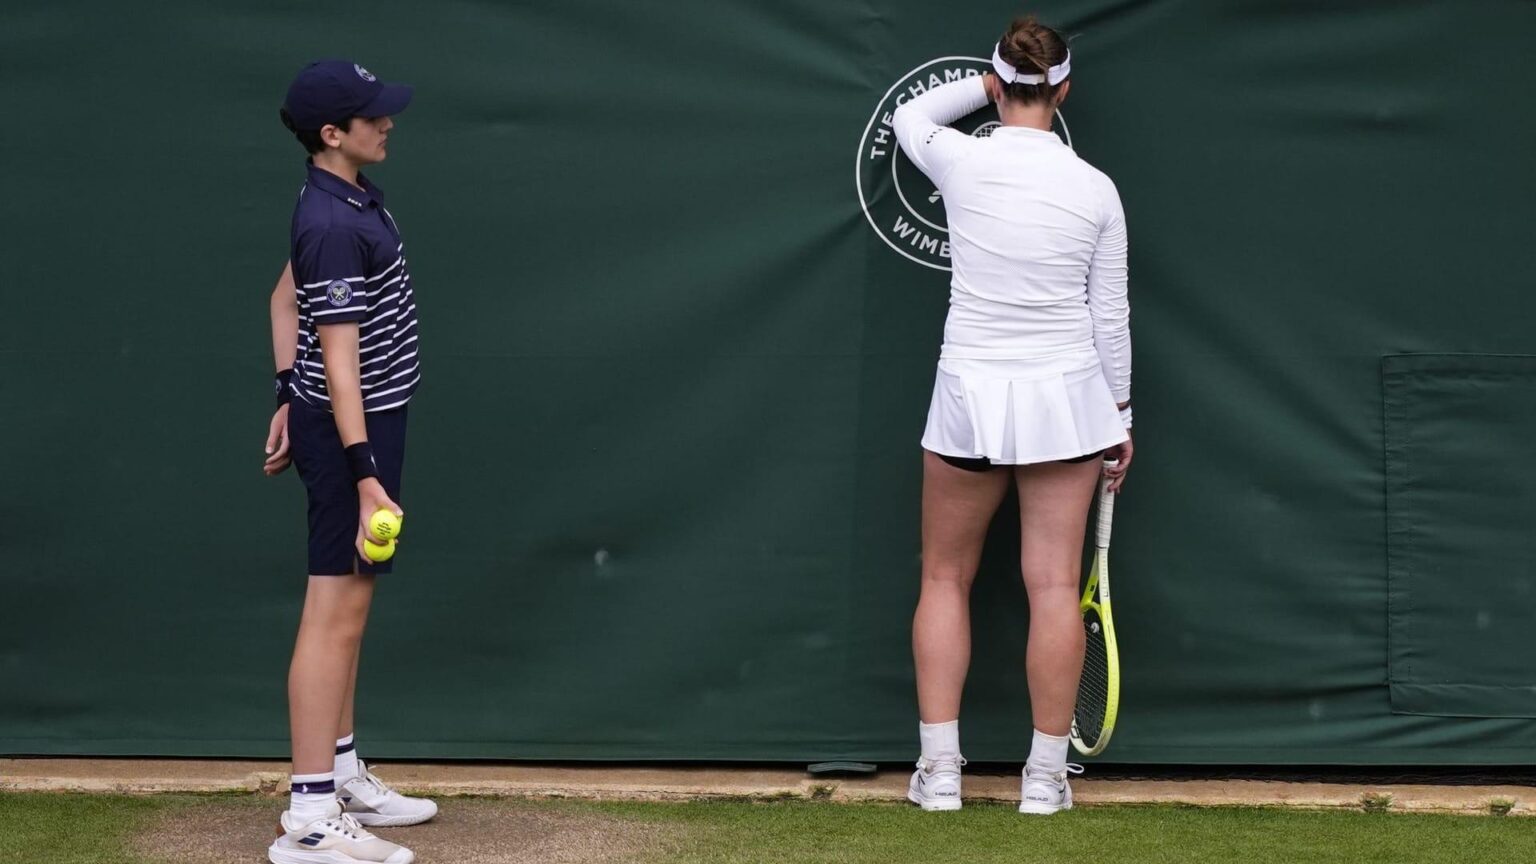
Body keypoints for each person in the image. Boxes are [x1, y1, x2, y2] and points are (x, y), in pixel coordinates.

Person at [893, 16, 1134, 815]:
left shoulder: (960, 158)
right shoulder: (1096, 189)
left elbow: (909, 117)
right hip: (1067, 405)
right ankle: (1043, 780)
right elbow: (1110, 321)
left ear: (997, 84)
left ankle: (941, 775)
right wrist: (1121, 416)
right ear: (1065, 90)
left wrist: (990, 84)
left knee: (943, 577)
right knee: (1054, 587)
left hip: (970, 397)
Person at [262, 59, 433, 864]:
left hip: (347, 424)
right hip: (350, 433)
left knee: (350, 611)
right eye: (372, 116)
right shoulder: (336, 222)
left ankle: (339, 771)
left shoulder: (344, 199)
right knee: (334, 614)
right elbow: (338, 361)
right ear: (334, 135)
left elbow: (283, 300)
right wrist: (364, 473)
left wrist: (283, 395)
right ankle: (310, 819)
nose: (387, 122)